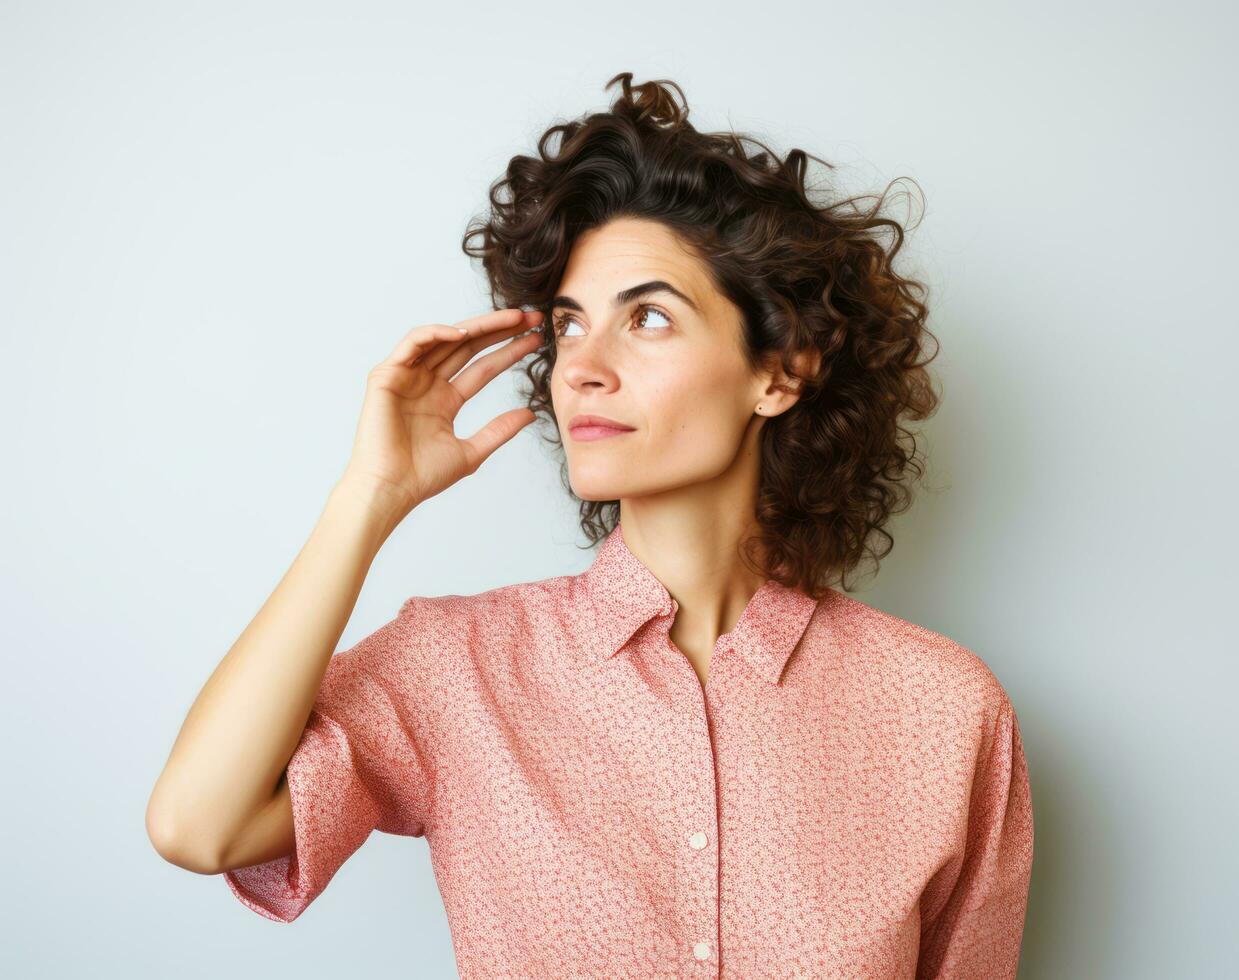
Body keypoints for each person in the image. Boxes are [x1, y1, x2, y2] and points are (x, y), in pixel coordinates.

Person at [146, 72, 1033, 979]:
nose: (583, 369)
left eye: (647, 317)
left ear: (780, 371)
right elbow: (197, 825)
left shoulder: (944, 711)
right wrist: (367, 497)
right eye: (569, 328)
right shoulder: (460, 667)